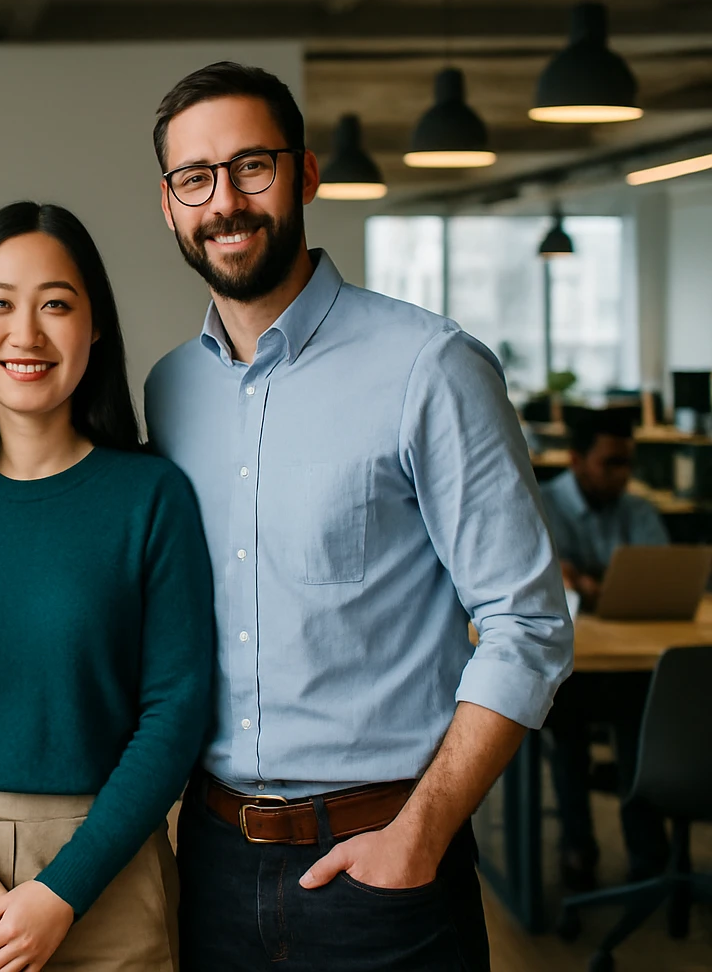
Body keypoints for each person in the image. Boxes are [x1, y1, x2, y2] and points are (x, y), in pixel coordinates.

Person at [142, 61, 573, 971]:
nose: (226, 201)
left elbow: (527, 623)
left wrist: (420, 835)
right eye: (196, 178)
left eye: (252, 166)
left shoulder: (431, 366)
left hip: (387, 864)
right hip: (213, 862)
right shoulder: (170, 391)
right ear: (171, 205)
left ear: (305, 175)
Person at [0, 201, 212, 972]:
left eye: (56, 304)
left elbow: (175, 709)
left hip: (110, 871)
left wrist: (64, 890)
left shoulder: (151, 497)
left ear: (96, 327)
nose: (25, 335)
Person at [540, 409, 670, 890]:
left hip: (630, 661)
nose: (623, 475)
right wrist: (587, 583)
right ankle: (579, 850)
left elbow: (655, 577)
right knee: (568, 734)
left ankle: (648, 855)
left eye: (627, 464)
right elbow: (551, 581)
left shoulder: (638, 509)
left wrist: (590, 583)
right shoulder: (541, 504)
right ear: (576, 460)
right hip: (568, 668)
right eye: (611, 463)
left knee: (645, 723)